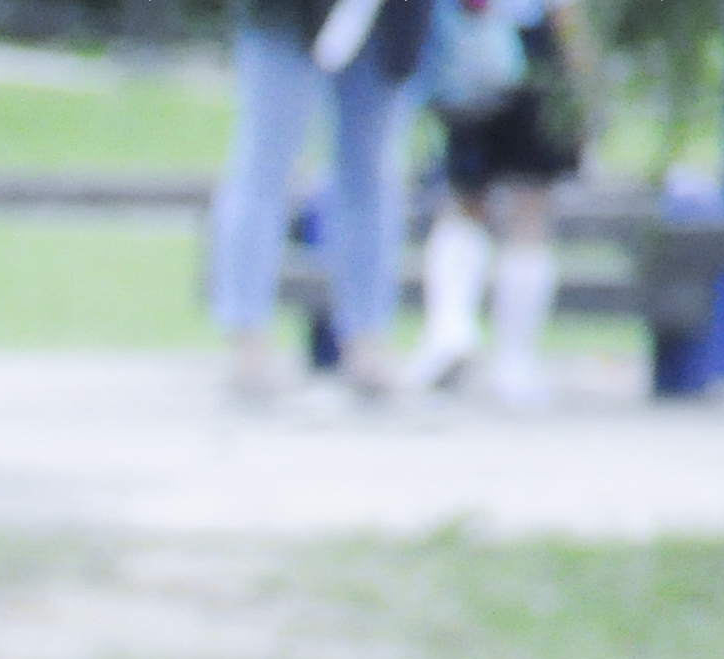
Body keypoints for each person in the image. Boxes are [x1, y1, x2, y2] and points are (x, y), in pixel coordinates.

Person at [207, 0, 430, 400]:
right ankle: (247, 342)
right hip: (287, 15)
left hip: (385, 18)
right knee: (265, 166)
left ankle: (367, 341)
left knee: (371, 176)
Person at [404, 0, 598, 407]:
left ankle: (467, 336)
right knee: (513, 204)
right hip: (493, 35)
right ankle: (483, 346)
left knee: (477, 198)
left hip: (478, 33)